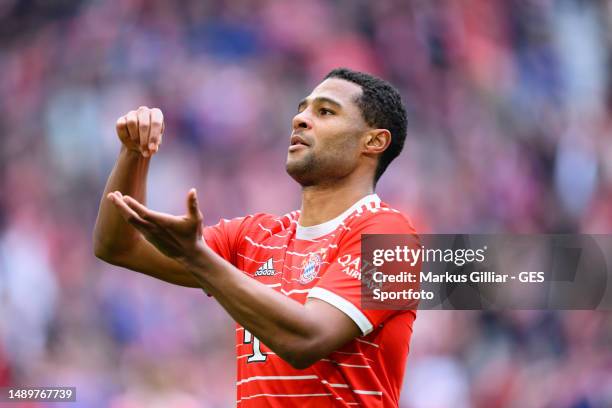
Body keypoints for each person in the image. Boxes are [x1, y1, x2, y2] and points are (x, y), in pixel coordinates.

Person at [94, 68, 418, 407]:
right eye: (302, 109)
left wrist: (197, 257)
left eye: (325, 112)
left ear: (374, 141)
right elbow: (118, 247)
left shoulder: (393, 238)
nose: (301, 120)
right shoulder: (254, 238)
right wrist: (134, 155)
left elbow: (307, 339)